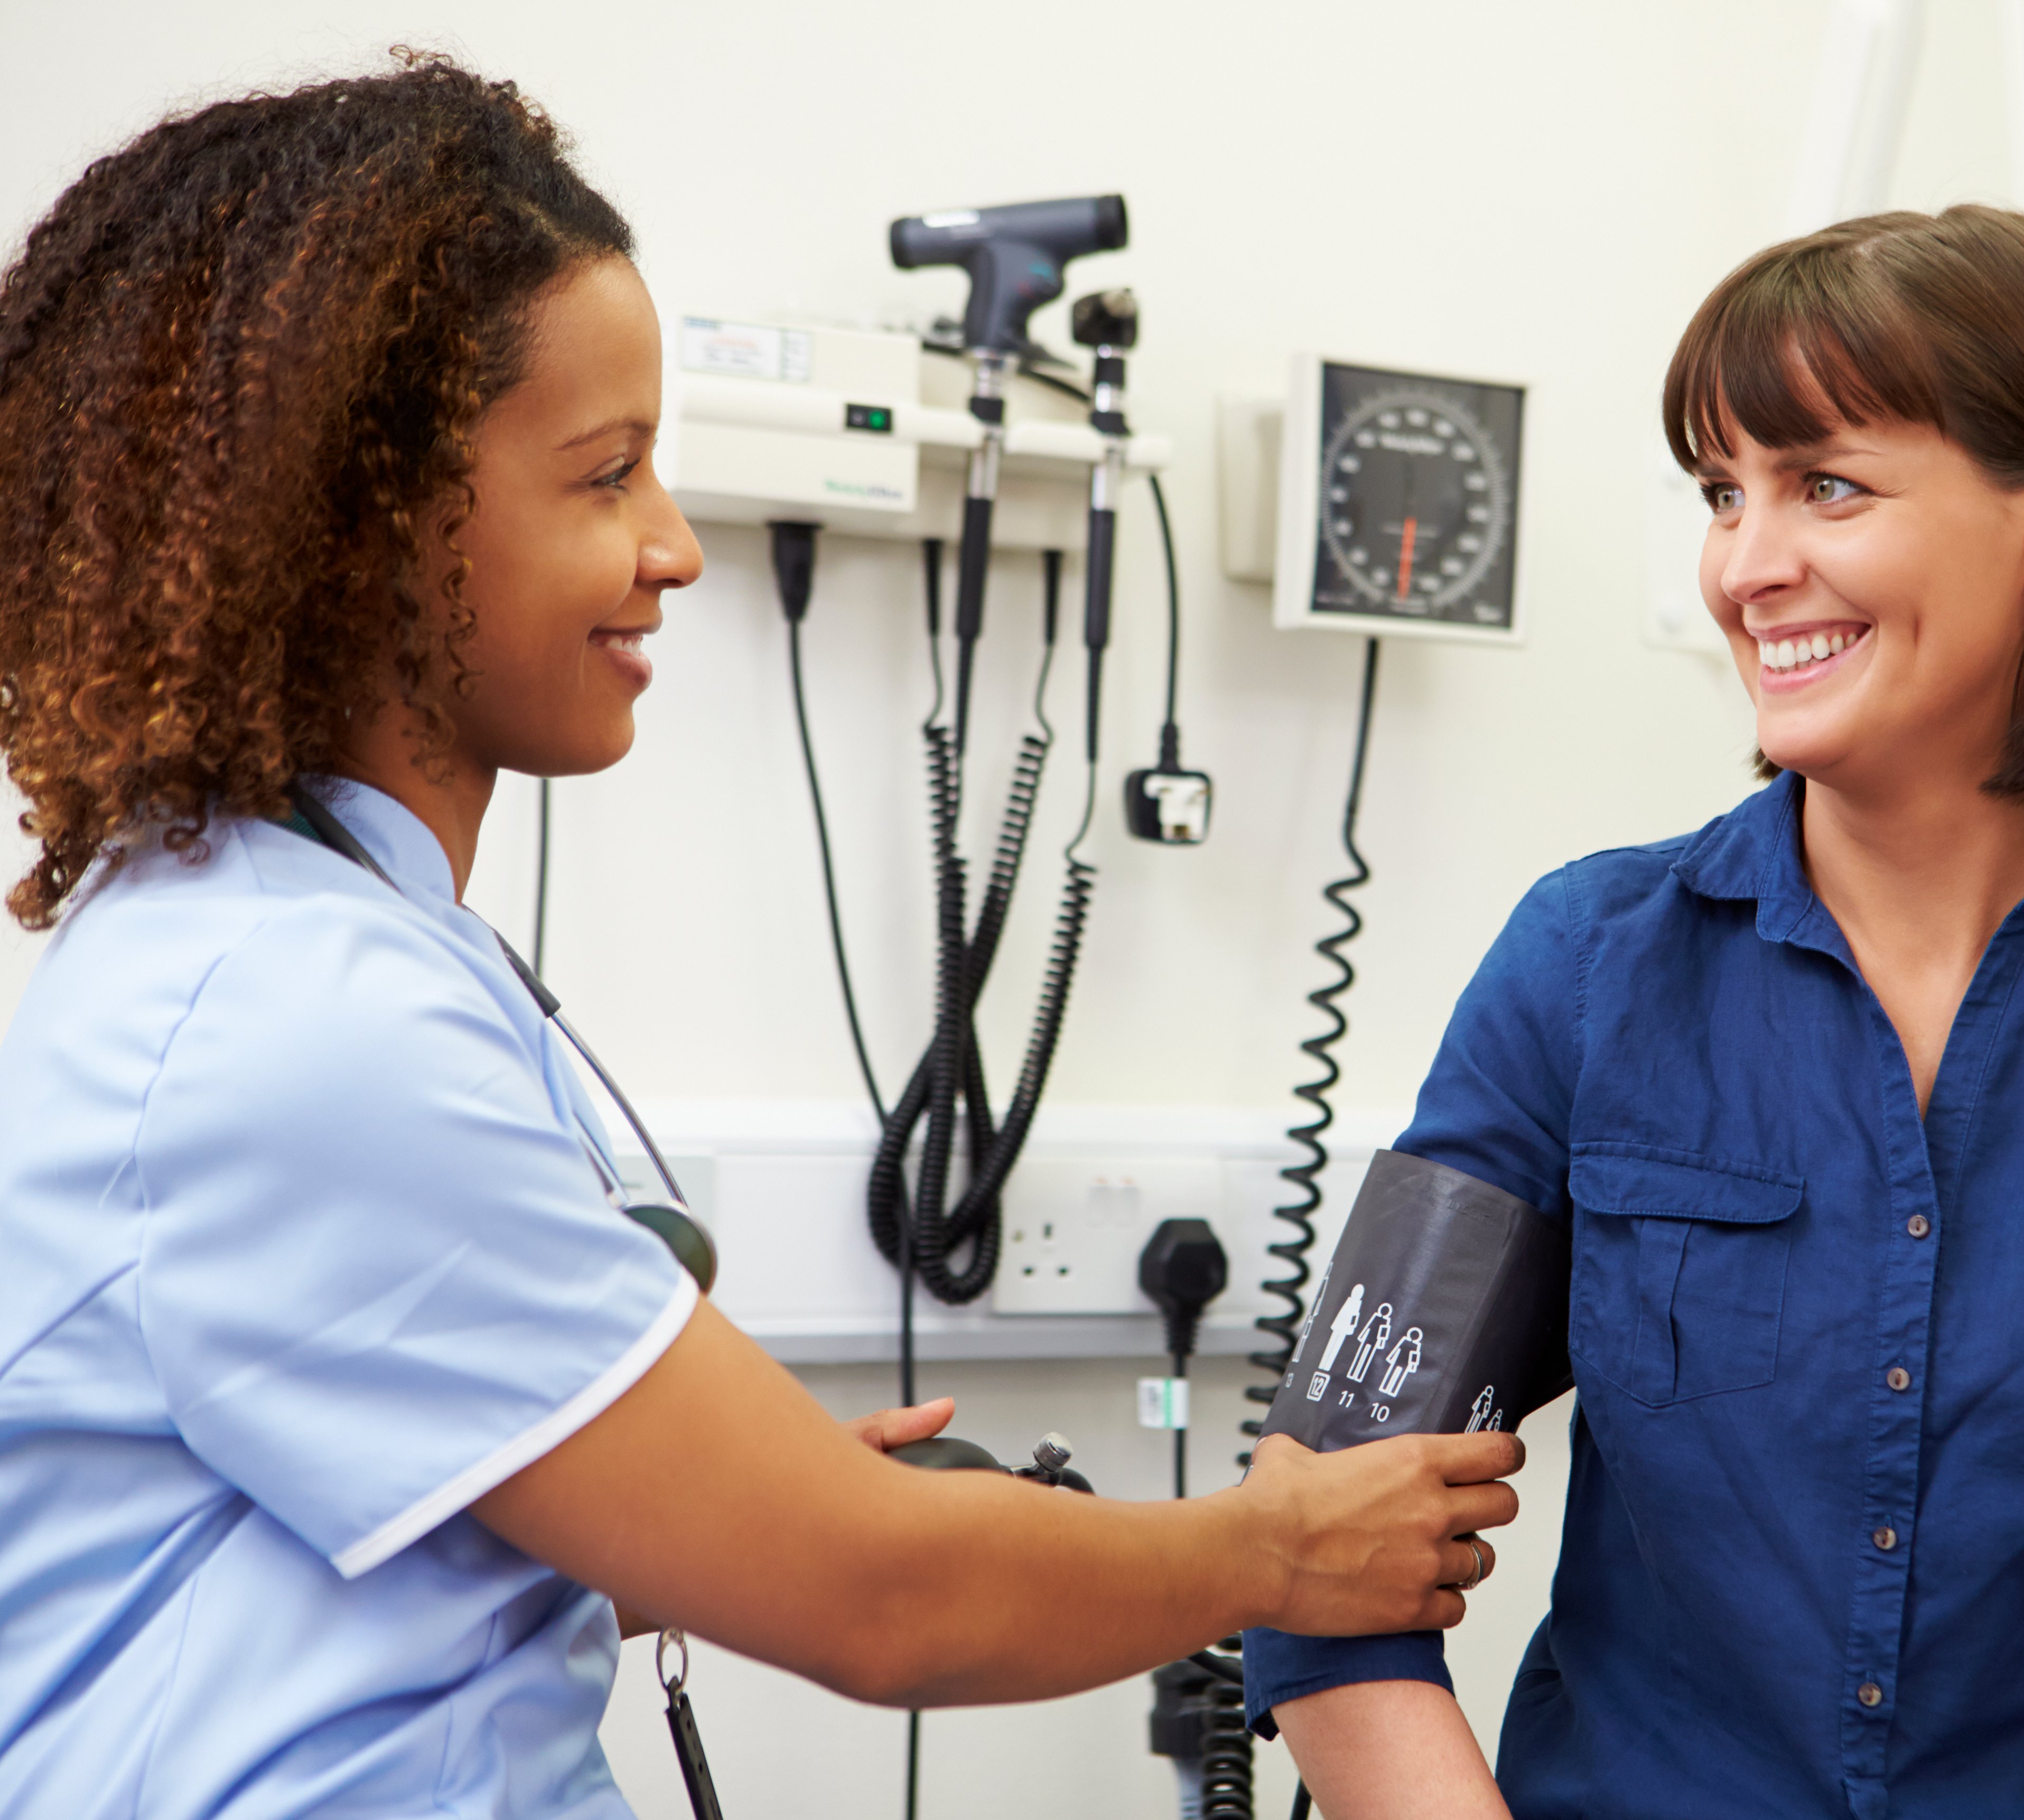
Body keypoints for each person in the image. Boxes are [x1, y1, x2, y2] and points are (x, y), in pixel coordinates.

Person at [0, 57, 1520, 1818]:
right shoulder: (286, 1013)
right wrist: (1276, 1550)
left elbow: (310, 1549)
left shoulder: (284, 941)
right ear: (363, 523)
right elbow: (885, 1600)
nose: (673, 549)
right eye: (606, 475)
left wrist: (682, 1499)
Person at [1246, 207, 2024, 1819]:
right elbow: (1311, 1544)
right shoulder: (1585, 970)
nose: (1746, 567)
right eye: (1722, 492)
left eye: (1825, 484)